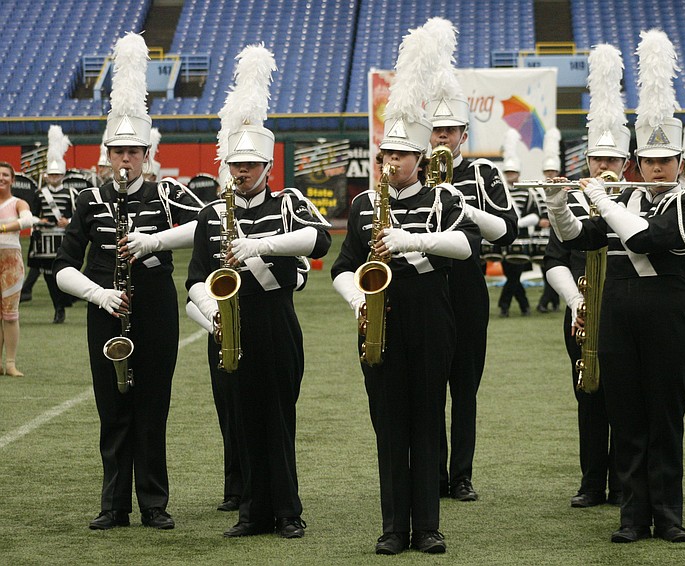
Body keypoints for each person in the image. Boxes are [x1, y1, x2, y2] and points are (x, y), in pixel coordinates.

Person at [546, 29, 685, 544]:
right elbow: (580, 237)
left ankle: (669, 514)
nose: (657, 169)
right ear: (638, 163)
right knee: (628, 417)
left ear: (679, 164)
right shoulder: (627, 200)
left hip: (668, 318)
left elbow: (644, 239)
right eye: (649, 162)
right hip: (617, 317)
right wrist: (558, 205)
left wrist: (603, 200)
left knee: (666, 417)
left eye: (666, 161)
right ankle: (633, 516)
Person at [332, 19, 480, 555]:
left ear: (419, 158)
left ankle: (428, 527)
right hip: (381, 322)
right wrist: (358, 300)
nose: (391, 163)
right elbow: (341, 267)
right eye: (385, 156)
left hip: (431, 322)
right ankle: (394, 527)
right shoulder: (363, 205)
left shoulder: (444, 199)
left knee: (427, 422)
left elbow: (465, 247)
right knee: (390, 428)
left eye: (400, 155)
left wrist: (411, 240)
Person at [55, 32, 201, 531]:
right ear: (108, 154)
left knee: (152, 409)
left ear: (146, 155)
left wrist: (154, 241)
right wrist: (98, 293)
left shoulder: (167, 194)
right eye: (117, 152)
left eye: (133, 152)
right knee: (112, 410)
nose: (124, 160)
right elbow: (63, 266)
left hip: (155, 311)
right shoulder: (90, 200)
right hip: (106, 311)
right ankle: (113, 505)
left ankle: (154, 503)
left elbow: (206, 226)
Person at [187, 44, 331, 540]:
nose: (241, 172)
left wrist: (260, 246)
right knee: (242, 422)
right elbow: (194, 279)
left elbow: (320, 241)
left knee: (279, 420)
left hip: (276, 320)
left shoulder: (288, 202)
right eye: (235, 165)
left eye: (250, 165)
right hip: (231, 324)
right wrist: (212, 311)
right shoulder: (211, 214)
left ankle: (288, 512)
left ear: (268, 166)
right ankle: (251, 513)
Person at [425, 20, 518, 502]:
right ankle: (432, 475)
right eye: (436, 130)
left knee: (464, 388)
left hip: (466, 286)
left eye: (450, 130)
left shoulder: (483, 172)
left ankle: (460, 475)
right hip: (425, 287)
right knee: (427, 388)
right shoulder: (412, 172)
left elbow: (508, 229)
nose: (443, 137)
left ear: (464, 133)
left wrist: (463, 206)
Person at [543, 43, 629, 510]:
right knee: (588, 395)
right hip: (581, 313)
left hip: (627, 312)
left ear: (625, 165)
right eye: (597, 160)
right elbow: (555, 259)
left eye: (611, 161)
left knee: (627, 400)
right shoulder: (571, 203)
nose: (603, 168)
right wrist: (575, 301)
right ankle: (592, 482)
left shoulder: (636, 203)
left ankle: (625, 483)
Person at [28, 125, 76, 323]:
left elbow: (77, 217)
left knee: (63, 273)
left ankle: (63, 303)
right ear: (46, 175)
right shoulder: (40, 194)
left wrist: (68, 222)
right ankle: (58, 307)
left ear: (62, 175)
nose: (54, 178)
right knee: (48, 276)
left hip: (63, 240)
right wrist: (40, 221)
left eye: (57, 175)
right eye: (51, 175)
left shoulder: (71, 193)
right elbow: (31, 215)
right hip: (45, 242)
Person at [0, 162, 36, 376]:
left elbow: (28, 220)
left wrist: (3, 227)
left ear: (12, 180)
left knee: (10, 314)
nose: (1, 178)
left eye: (5, 175)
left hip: (11, 262)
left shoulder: (18, 203)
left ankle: (10, 363)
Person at [497, 128, 534, 317]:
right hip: (505, 240)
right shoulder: (500, 192)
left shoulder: (527, 192)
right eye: (508, 172)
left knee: (515, 274)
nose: (510, 175)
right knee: (511, 275)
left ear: (518, 173)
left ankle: (505, 305)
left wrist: (517, 223)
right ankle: (523, 306)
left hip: (521, 238)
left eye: (513, 172)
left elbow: (535, 215)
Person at [537, 128, 561, 313]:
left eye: (552, 171)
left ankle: (546, 302)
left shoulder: (564, 188)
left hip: (559, 233)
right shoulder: (537, 190)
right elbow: (533, 210)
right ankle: (552, 301)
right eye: (547, 171)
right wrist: (540, 221)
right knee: (546, 269)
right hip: (541, 235)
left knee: (555, 266)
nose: (550, 174)